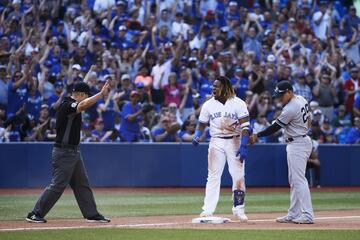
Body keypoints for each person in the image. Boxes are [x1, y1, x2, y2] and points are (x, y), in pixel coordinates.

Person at [26, 81, 111, 223]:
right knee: (58, 185)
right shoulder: (67, 104)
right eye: (86, 96)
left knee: (82, 184)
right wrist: (101, 94)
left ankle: (91, 214)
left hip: (74, 152)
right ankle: (35, 213)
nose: (87, 99)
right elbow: (82, 105)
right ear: (80, 94)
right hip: (64, 152)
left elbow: (82, 104)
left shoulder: (72, 103)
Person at [250, 81, 314, 224]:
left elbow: (275, 128)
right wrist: (302, 129)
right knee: (294, 180)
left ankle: (308, 214)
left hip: (297, 143)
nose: (279, 98)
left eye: (281, 95)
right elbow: (309, 119)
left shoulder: (291, 107)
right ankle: (293, 213)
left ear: (289, 92)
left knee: (299, 180)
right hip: (300, 140)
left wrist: (257, 135)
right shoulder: (301, 99)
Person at [192, 76, 251, 222]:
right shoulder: (208, 104)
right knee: (213, 176)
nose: (213, 89)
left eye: (216, 86)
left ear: (225, 87)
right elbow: (202, 124)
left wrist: (243, 145)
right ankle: (208, 210)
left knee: (238, 176)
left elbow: (246, 127)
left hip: (235, 141)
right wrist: (198, 135)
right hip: (216, 141)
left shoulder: (238, 103)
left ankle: (239, 210)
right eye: (213, 86)